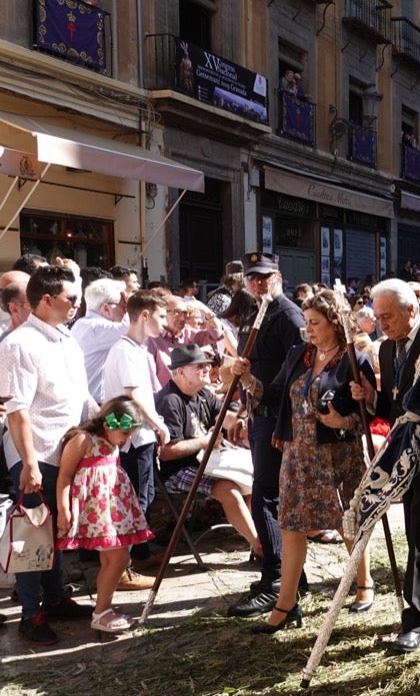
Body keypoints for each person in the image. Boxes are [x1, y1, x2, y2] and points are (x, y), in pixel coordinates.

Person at [233, 289, 375, 632]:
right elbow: (277, 393)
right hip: (297, 453)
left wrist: (346, 419)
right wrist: (248, 379)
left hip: (336, 454)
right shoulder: (300, 354)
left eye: (315, 323)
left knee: (346, 522)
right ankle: (286, 604)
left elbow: (370, 411)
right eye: (306, 322)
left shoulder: (355, 358)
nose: (308, 329)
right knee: (291, 524)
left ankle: (364, 582)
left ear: (334, 323)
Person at [0, 265, 98, 645]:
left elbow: (80, 394)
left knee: (56, 530)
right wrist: (27, 463)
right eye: (71, 298)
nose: (77, 304)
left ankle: (55, 597)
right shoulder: (18, 344)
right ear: (46, 300)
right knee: (32, 533)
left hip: (66, 450)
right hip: (35, 451)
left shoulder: (66, 339)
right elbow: (18, 409)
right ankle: (30, 614)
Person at [351, 279, 420, 653]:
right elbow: (392, 407)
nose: (381, 325)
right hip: (404, 455)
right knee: (418, 529)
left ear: (412, 310)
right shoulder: (389, 349)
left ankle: (418, 615)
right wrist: (370, 397)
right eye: (377, 318)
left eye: (388, 317)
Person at [228, 253, 307, 618]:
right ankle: (291, 575)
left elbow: (298, 372)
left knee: (266, 497)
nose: (258, 283)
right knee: (266, 494)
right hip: (260, 413)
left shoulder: (287, 315)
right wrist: (245, 406)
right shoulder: (254, 313)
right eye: (252, 278)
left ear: (277, 276)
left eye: (264, 277)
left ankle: (276, 577)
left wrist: (280, 419)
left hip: (279, 417)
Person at [55, 396, 157, 634]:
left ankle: (103, 608)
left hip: (112, 511)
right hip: (96, 513)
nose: (127, 438)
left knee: (111, 559)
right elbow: (65, 475)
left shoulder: (111, 442)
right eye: (125, 432)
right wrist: (64, 508)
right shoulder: (83, 439)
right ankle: (101, 611)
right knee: (119, 558)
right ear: (109, 424)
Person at [155, 344, 261, 556]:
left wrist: (242, 423)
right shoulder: (170, 401)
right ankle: (261, 549)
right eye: (199, 366)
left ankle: (260, 540)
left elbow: (224, 417)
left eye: (207, 364)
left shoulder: (201, 393)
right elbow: (166, 452)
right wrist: (206, 441)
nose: (206, 369)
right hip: (176, 470)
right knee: (229, 489)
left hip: (208, 462)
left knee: (254, 482)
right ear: (181, 371)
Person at [102, 290, 172, 580]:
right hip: (131, 437)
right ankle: (123, 569)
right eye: (161, 315)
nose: (165, 322)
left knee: (143, 496)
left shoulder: (136, 348)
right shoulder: (125, 350)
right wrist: (159, 424)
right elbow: (133, 395)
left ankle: (139, 555)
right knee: (134, 503)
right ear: (145, 315)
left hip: (137, 436)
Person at [71, 278, 128, 403]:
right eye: (124, 306)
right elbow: (134, 329)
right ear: (106, 309)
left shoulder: (83, 324)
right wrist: (134, 306)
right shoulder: (96, 327)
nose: (125, 311)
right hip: (95, 404)